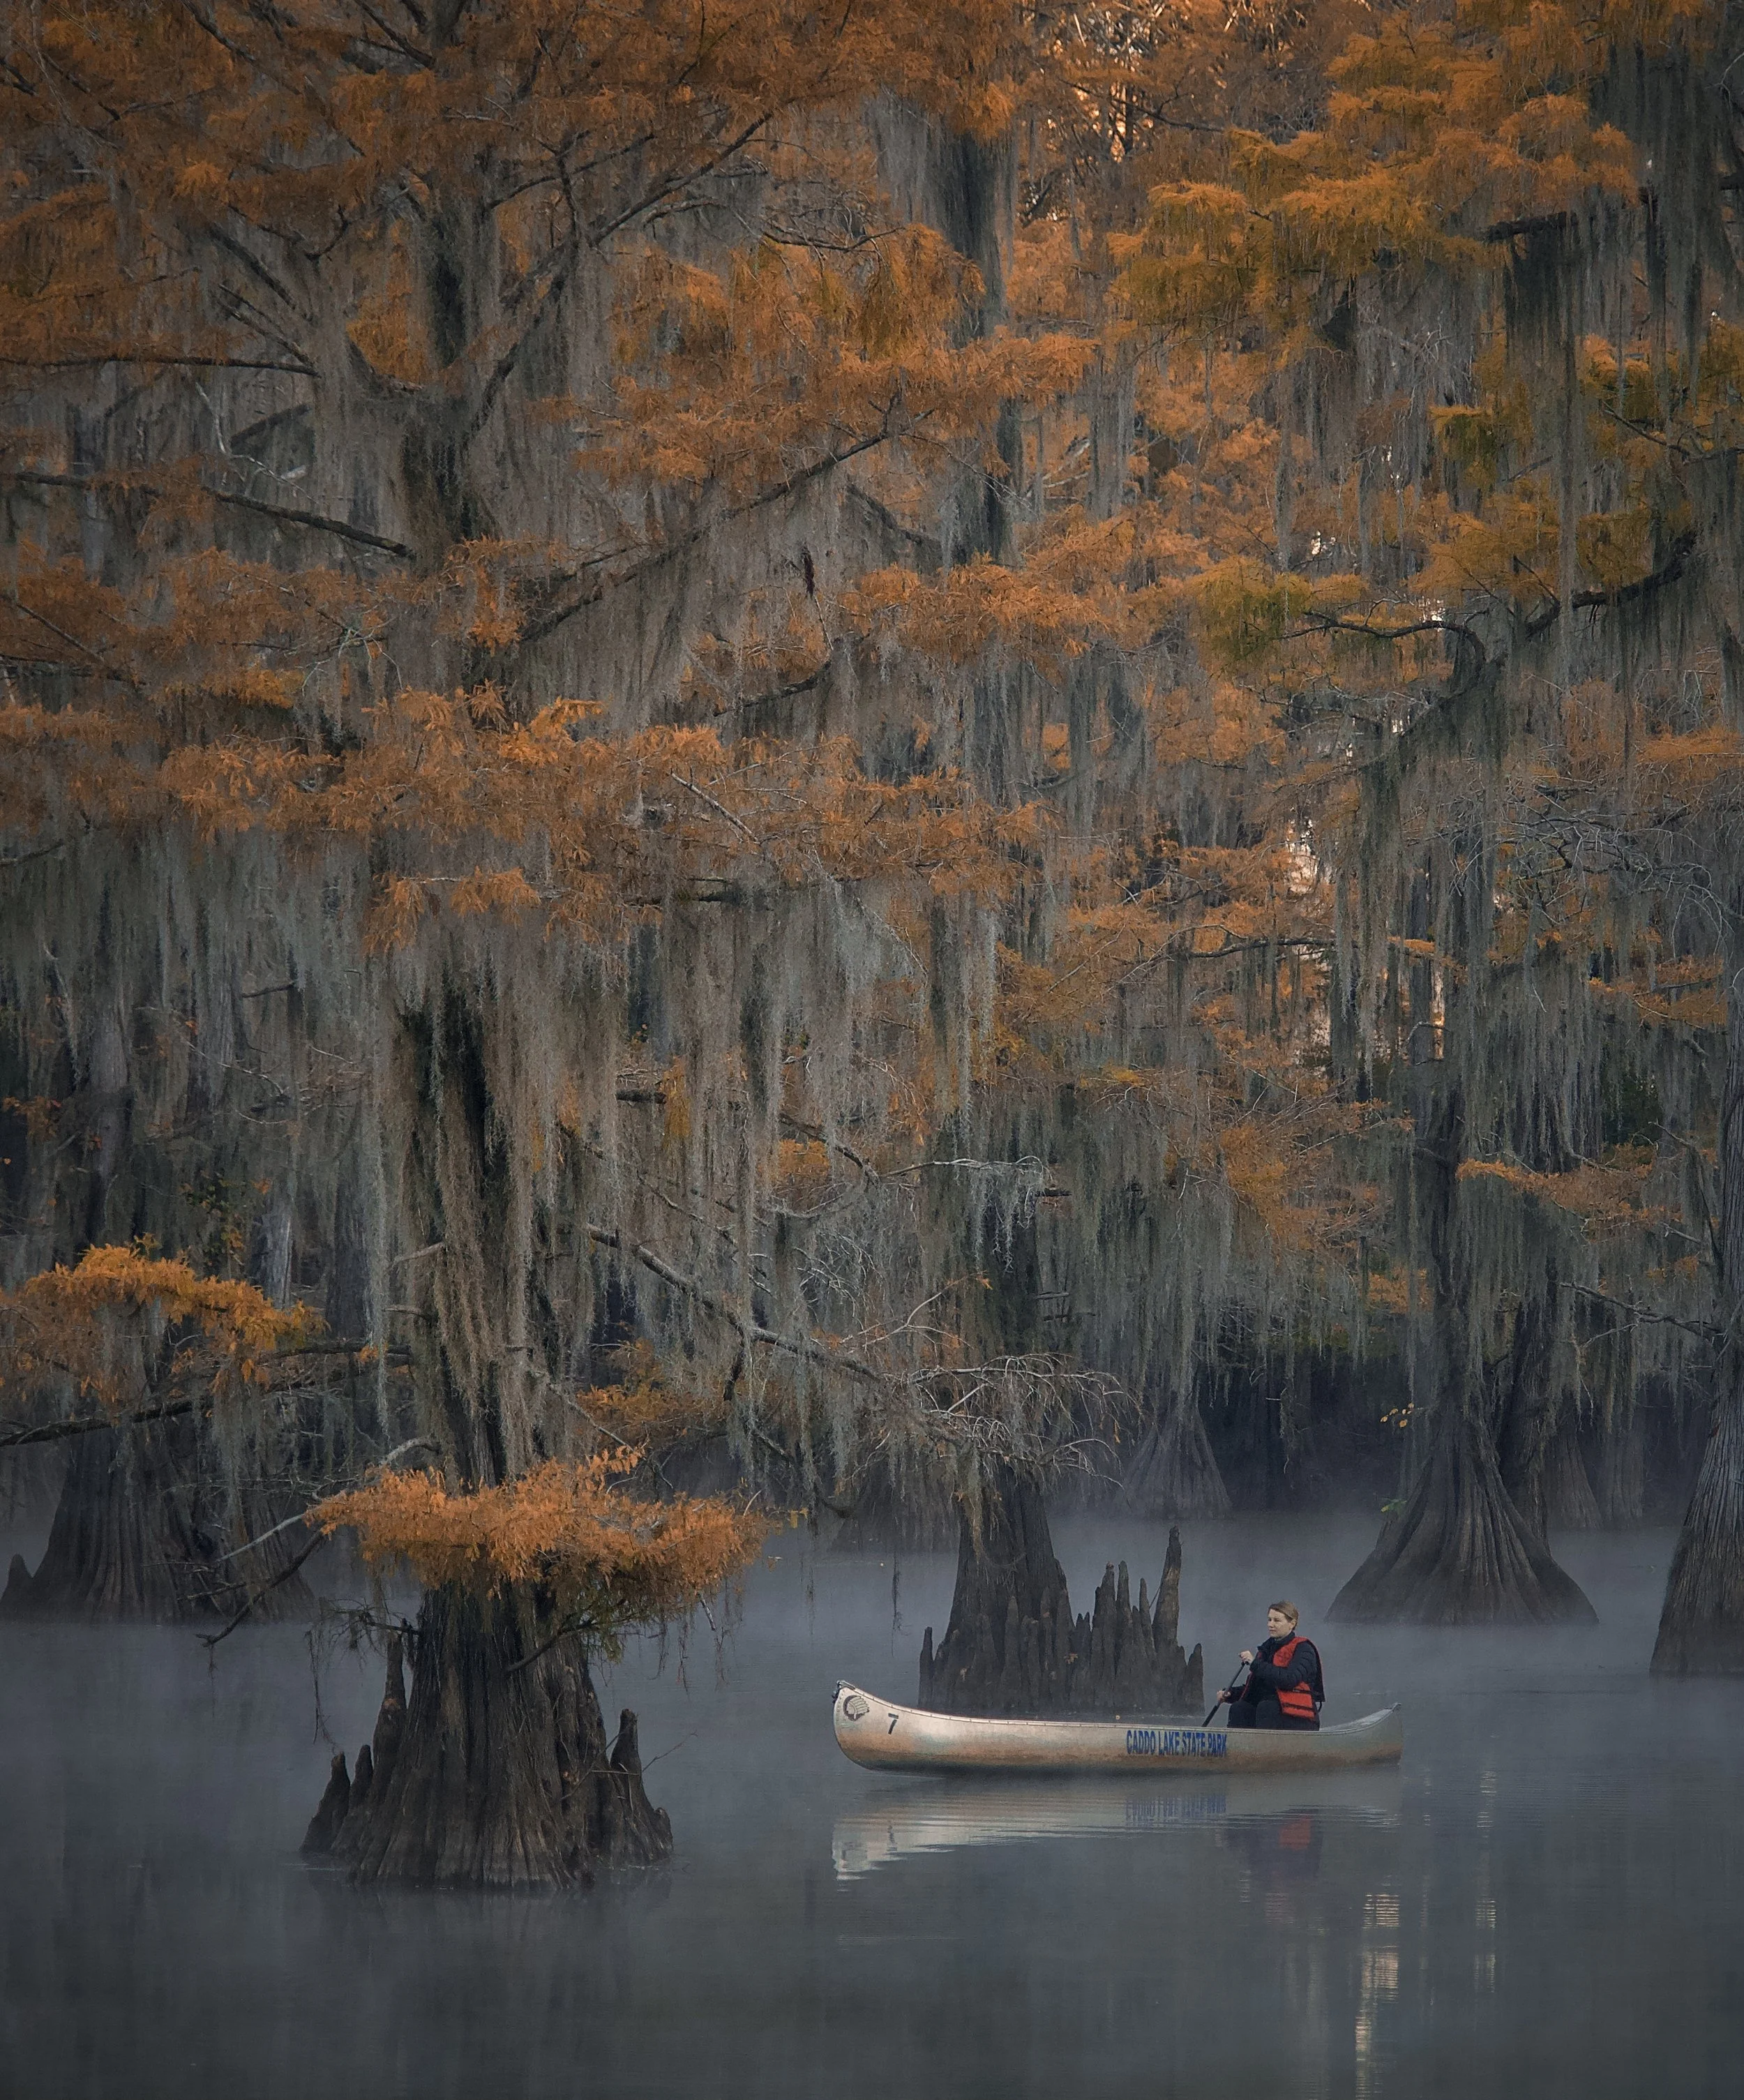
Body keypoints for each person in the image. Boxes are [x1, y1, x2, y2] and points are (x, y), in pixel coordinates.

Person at [1218, 1600, 1323, 1730]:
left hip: (1299, 1719)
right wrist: (1231, 1694)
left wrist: (1255, 1664)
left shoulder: (1304, 1650)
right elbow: (1257, 1688)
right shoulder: (1267, 1650)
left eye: (1277, 1621)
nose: (1270, 1625)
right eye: (1269, 1620)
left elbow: (1289, 1680)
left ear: (1292, 1624)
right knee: (1239, 1708)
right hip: (1270, 1712)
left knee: (1267, 1707)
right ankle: (1239, 1749)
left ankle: (1267, 1749)